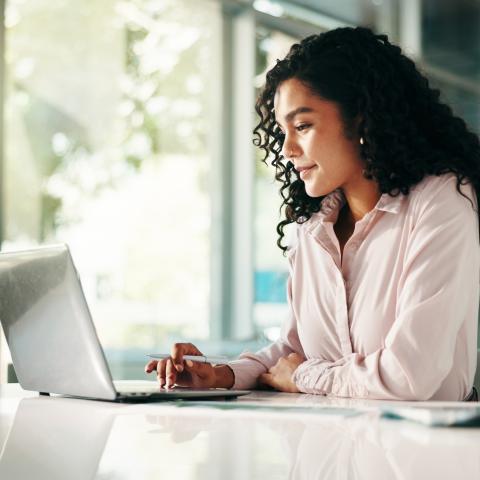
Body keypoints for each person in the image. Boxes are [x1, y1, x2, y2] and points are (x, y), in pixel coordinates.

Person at [145, 27, 480, 401]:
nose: (287, 148)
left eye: (302, 126)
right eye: (282, 130)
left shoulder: (441, 201)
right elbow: (292, 350)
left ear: (362, 119)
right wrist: (220, 375)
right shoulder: (314, 227)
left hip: (422, 456)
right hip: (330, 450)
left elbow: (408, 375)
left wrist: (305, 375)